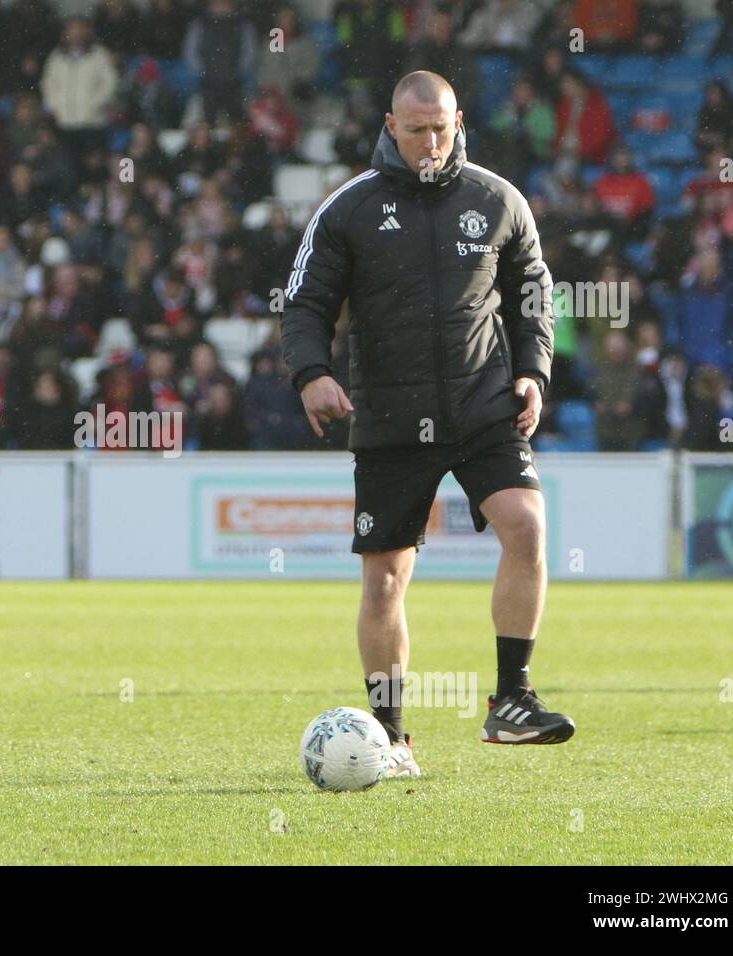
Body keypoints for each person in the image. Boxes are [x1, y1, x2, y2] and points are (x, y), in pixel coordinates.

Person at [279, 71, 574, 779]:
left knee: (528, 527)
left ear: (458, 118)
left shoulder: (497, 199)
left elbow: (533, 297)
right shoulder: (349, 208)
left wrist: (532, 371)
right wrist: (311, 373)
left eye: (442, 127)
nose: (432, 142)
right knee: (384, 583)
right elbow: (304, 304)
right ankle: (388, 736)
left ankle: (512, 701)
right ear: (390, 124)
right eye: (417, 130)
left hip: (483, 405)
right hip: (388, 412)